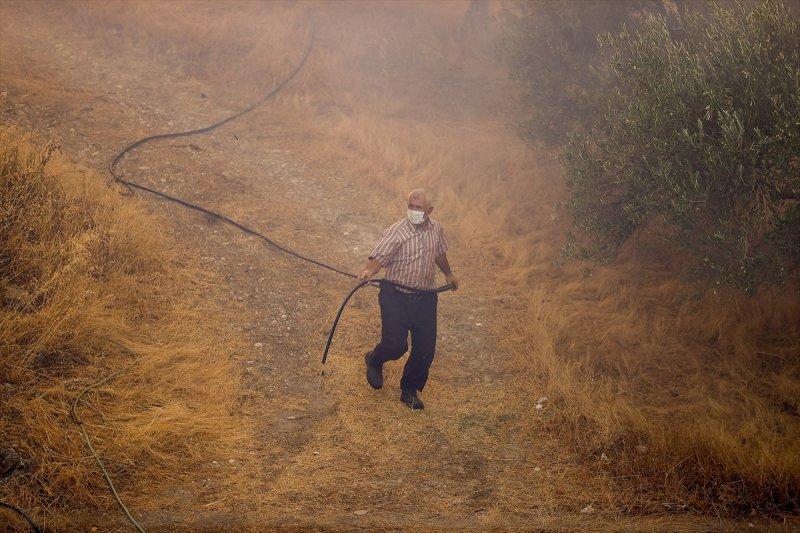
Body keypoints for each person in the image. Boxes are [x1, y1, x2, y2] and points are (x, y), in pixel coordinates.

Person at [357, 188, 458, 410]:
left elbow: (439, 253)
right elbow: (378, 258)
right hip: (395, 296)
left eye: (418, 208)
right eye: (410, 206)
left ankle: (409, 390)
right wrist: (367, 272)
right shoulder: (397, 231)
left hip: (425, 297)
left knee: (425, 349)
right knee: (396, 346)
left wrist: (449, 274)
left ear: (429, 211)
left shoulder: (436, 229)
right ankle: (375, 359)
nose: (413, 211)